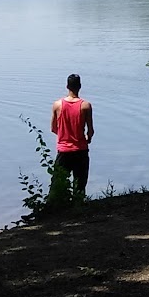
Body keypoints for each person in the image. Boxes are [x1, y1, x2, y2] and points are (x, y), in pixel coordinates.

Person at [49, 73, 94, 202]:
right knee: (80, 184)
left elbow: (53, 128)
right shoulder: (86, 106)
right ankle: (78, 206)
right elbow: (90, 131)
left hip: (64, 151)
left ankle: (56, 207)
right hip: (81, 150)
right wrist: (88, 138)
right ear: (80, 86)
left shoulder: (57, 105)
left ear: (67, 86)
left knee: (58, 183)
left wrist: (64, 136)